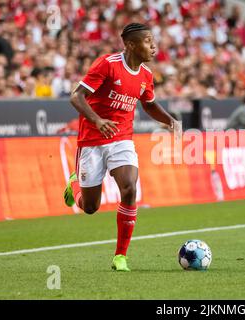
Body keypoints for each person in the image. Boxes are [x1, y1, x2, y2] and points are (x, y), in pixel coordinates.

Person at [63, 23, 180, 272]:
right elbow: (76, 96)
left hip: (122, 140)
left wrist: (170, 121)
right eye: (148, 41)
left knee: (129, 189)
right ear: (130, 44)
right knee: (91, 207)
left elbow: (148, 104)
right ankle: (75, 184)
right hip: (92, 141)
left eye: (153, 40)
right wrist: (96, 120)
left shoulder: (146, 75)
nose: (154, 46)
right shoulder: (108, 64)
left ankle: (120, 256)